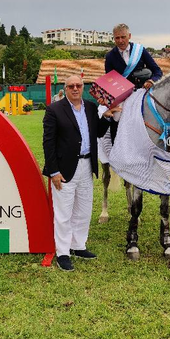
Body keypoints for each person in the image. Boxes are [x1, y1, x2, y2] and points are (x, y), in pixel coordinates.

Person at [42, 75, 113, 271]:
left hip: (86, 165)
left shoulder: (90, 108)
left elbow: (98, 132)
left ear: (83, 87)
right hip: (63, 169)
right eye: (71, 86)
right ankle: (63, 252)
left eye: (78, 85)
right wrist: (53, 171)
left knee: (83, 210)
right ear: (65, 88)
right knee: (64, 213)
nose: (75, 88)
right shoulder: (54, 109)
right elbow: (48, 143)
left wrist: (107, 117)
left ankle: (78, 245)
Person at [104, 23, 162, 90]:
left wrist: (152, 81)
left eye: (123, 37)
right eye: (117, 38)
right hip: (122, 93)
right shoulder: (110, 56)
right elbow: (110, 79)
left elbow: (157, 71)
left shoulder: (140, 50)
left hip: (142, 91)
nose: (120, 41)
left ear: (129, 36)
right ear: (113, 38)